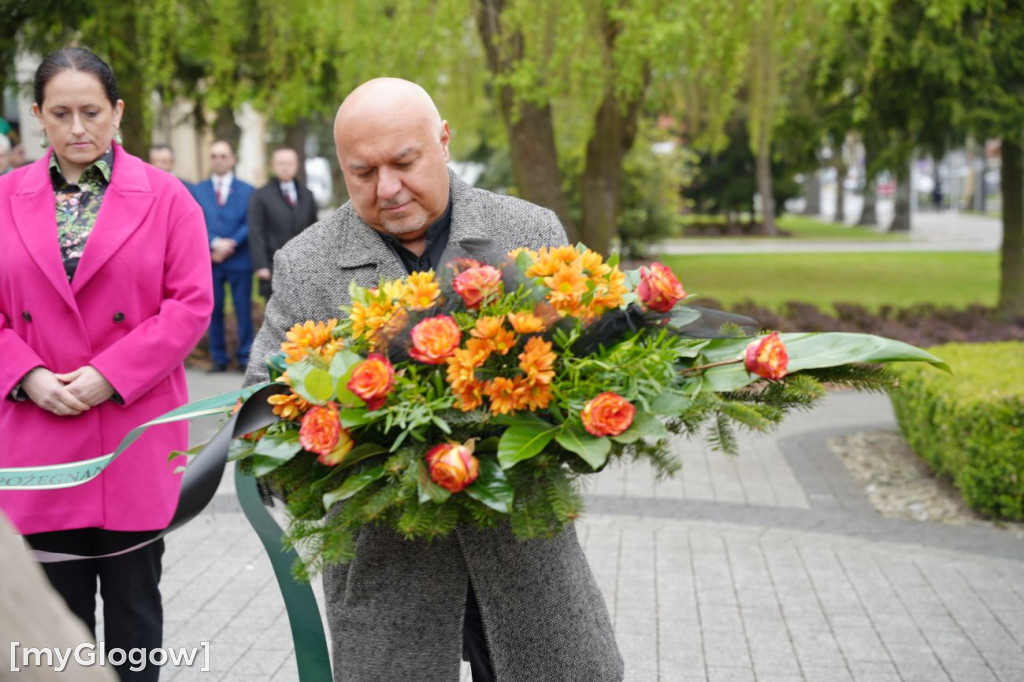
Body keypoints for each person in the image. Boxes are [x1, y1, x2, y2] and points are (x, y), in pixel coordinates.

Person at [245, 78, 623, 682]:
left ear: (443, 141)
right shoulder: (306, 263)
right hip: (389, 578)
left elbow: (595, 375)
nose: (387, 190)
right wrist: (338, 459)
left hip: (526, 566)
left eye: (403, 162)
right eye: (361, 173)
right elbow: (261, 417)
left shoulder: (529, 230)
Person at [0, 47, 213, 681]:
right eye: (60, 113)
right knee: (51, 632)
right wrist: (27, 374)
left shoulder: (169, 198)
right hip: (37, 434)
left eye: (91, 111)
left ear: (117, 112)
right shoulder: (4, 198)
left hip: (132, 431)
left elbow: (190, 303)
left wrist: (110, 375)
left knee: (134, 619)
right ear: (37, 114)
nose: (76, 128)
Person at [188, 140, 255, 372]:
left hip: (239, 258)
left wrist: (231, 242)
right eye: (214, 156)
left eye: (223, 156)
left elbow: (250, 222)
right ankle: (219, 358)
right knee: (212, 308)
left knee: (242, 309)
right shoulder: (199, 190)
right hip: (210, 259)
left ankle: (245, 356)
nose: (218, 160)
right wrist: (214, 243)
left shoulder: (248, 190)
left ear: (232, 159)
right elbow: (194, 221)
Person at [248, 147, 318, 300]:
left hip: (303, 268)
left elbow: (315, 229)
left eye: (289, 163)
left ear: (296, 165)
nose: (285, 167)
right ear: (273, 166)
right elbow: (256, 232)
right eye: (281, 163)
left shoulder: (307, 194)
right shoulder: (261, 196)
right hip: (273, 267)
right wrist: (261, 265)